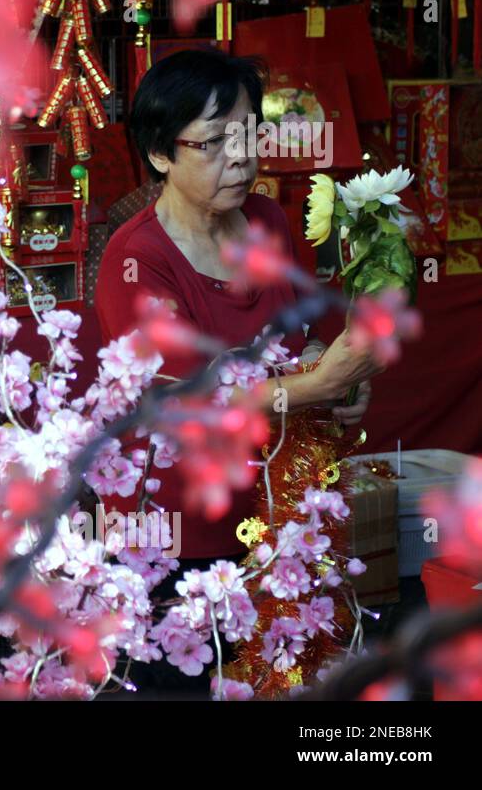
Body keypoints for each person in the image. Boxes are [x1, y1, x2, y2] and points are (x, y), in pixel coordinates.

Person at [91, 48, 385, 695]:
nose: (242, 155)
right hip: (175, 537)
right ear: (162, 154)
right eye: (215, 141)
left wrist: (335, 383)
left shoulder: (269, 222)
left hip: (275, 520)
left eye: (250, 135)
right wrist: (319, 384)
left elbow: (297, 342)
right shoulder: (135, 258)